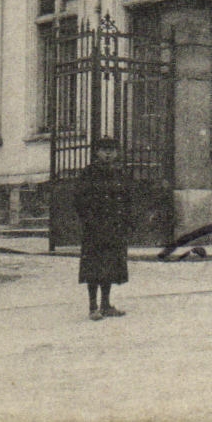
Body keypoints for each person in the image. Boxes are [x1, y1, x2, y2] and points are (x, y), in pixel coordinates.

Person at [75, 136, 134, 320]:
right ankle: (93, 307)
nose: (108, 153)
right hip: (95, 228)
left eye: (112, 149)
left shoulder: (120, 174)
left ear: (117, 153)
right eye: (104, 149)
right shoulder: (88, 173)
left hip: (114, 228)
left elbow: (127, 199)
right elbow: (79, 200)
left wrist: (127, 221)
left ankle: (106, 304)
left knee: (110, 266)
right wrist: (89, 220)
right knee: (93, 267)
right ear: (96, 152)